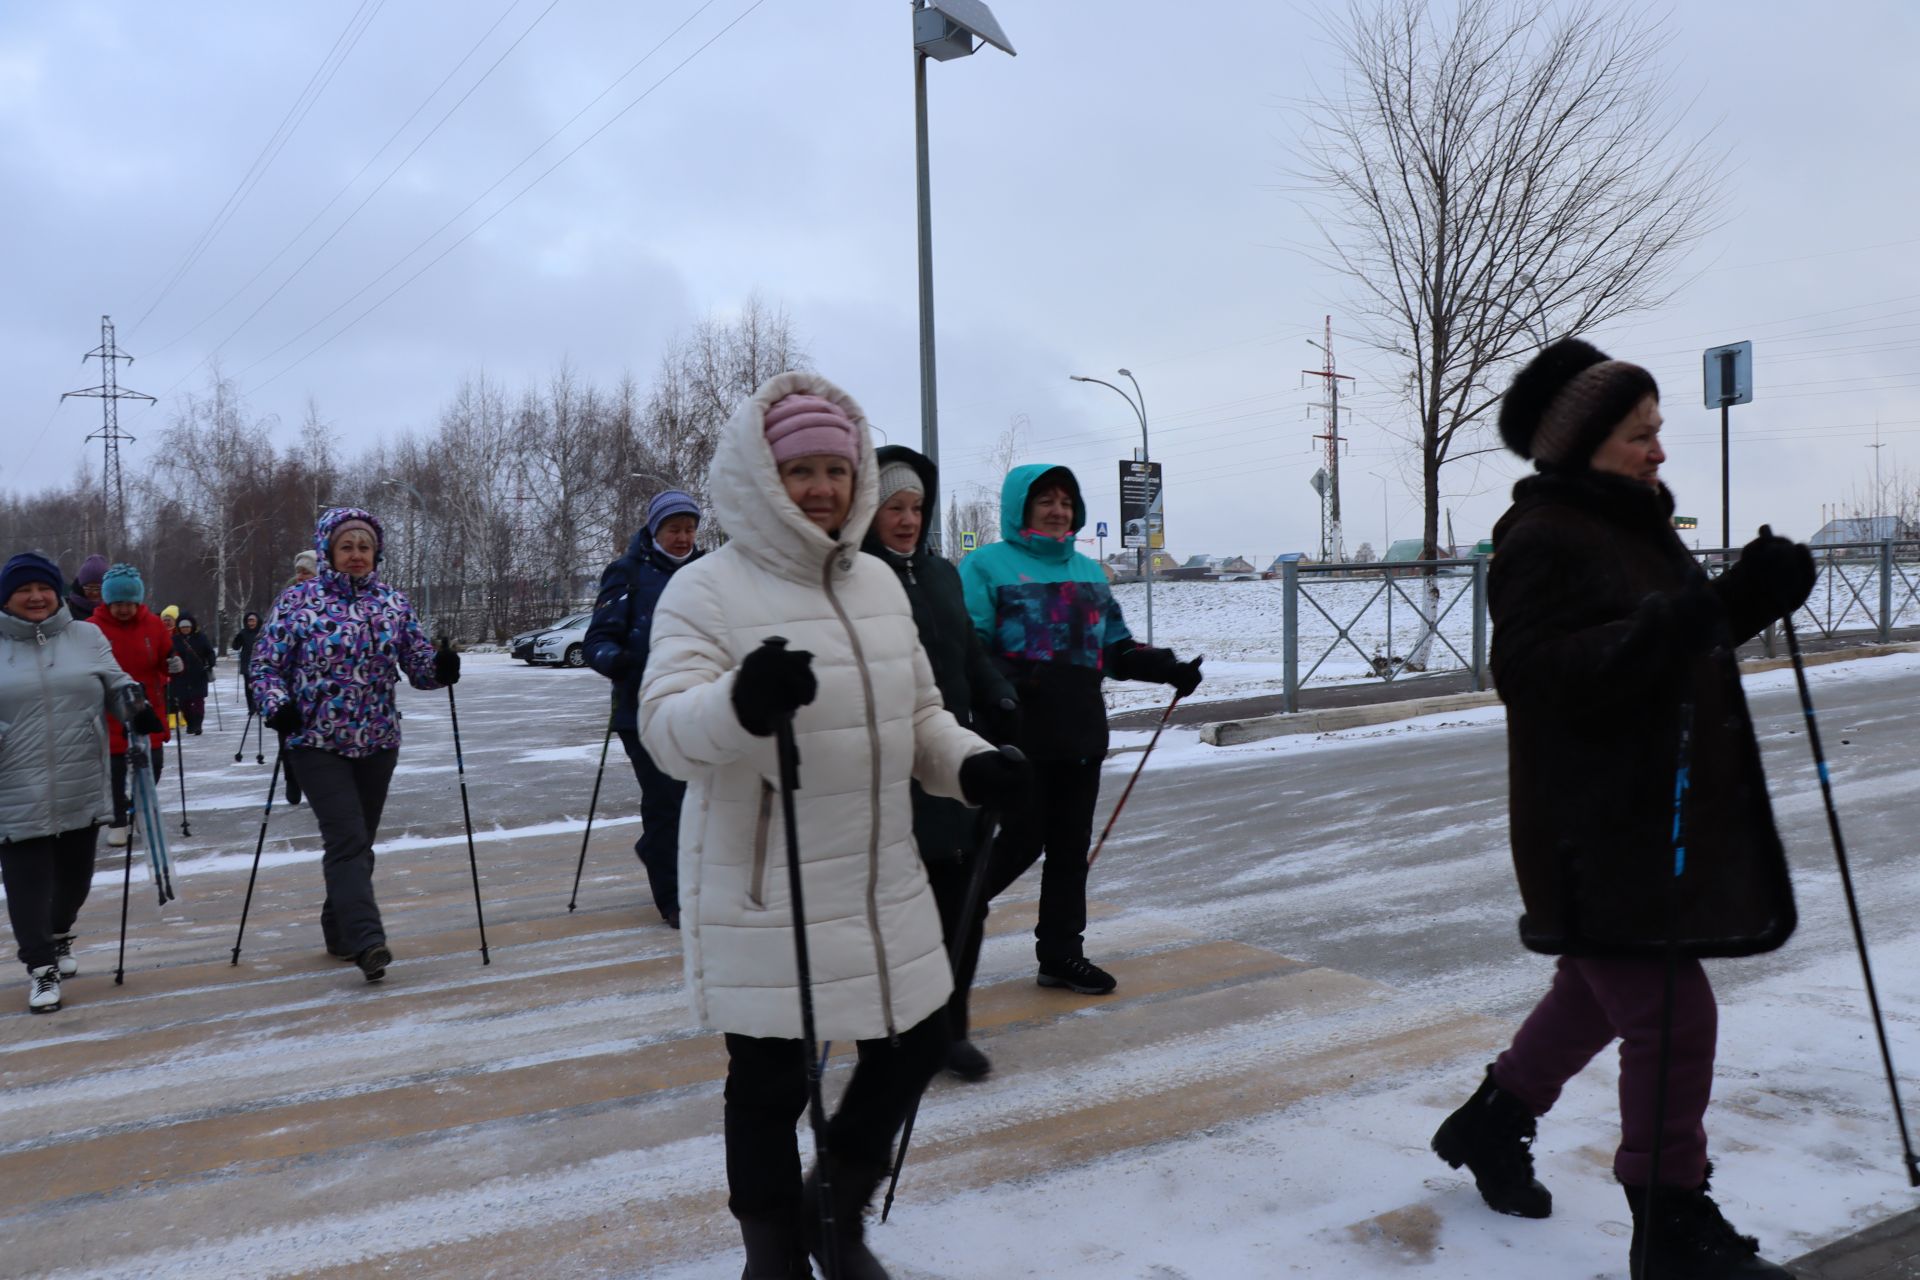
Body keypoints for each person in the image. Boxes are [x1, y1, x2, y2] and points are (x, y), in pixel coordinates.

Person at [1428, 339, 1812, 1279]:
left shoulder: (1635, 527)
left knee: (1595, 993)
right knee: (1674, 1013)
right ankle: (1669, 1219)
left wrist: (1741, 603)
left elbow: (1659, 653)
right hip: (1591, 829)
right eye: (1641, 434)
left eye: (1659, 432)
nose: (1659, 452)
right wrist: (1694, 614)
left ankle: (1494, 1120)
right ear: (1587, 439)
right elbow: (1535, 674)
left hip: (1651, 817)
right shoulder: (1545, 537)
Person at [639, 373, 1028, 1279]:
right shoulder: (706, 590)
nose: (822, 488)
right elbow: (666, 732)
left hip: (877, 870)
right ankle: (772, 1253)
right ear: (761, 479)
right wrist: (742, 702)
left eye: (837, 470)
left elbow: (920, 714)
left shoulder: (881, 590)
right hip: (764, 880)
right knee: (772, 1083)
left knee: (921, 1038)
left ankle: (834, 1212)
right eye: (801, 470)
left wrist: (969, 763)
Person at [958, 463, 1202, 997]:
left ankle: (1062, 955)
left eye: (1066, 501)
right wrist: (1009, 688)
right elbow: (969, 647)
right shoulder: (985, 566)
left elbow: (1115, 647)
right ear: (1021, 507)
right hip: (1017, 736)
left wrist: (1169, 668)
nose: (1057, 510)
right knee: (1016, 844)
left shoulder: (1089, 572)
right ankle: (946, 936)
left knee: (1070, 851)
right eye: (1045, 500)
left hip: (1080, 733)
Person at [861, 445, 1019, 1082]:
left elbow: (969, 654)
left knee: (965, 906)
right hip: (888, 774)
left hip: (956, 759)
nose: (907, 520)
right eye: (893, 507)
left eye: (916, 507)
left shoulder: (943, 574)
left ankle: (951, 1031)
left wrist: (999, 695)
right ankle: (899, 1034)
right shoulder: (850, 579)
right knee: (900, 914)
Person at [250, 508, 459, 983]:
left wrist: (441, 668)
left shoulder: (393, 603)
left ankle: (338, 929)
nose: (357, 555)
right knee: (346, 840)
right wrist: (277, 706)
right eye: (347, 546)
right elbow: (264, 667)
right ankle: (368, 940)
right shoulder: (298, 601)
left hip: (378, 740)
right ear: (328, 552)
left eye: (364, 546)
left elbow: (418, 663)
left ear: (376, 552)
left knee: (358, 845)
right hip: (314, 741)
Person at [0, 552, 161, 1012]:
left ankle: (58, 936)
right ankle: (40, 966)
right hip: (14, 783)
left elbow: (115, 681)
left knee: (75, 879)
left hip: (79, 776)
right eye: (23, 590)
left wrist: (134, 703)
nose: (35, 597)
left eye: (43, 588)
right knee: (26, 880)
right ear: (7, 598)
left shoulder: (86, 634)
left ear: (56, 591)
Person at [583, 489, 706, 929]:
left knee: (701, 801)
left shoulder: (709, 572)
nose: (683, 537)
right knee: (666, 801)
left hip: (700, 705)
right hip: (643, 710)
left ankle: (666, 857)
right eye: (674, 529)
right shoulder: (628, 573)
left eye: (690, 529)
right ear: (655, 530)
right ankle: (673, 898)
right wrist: (617, 661)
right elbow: (596, 641)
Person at [91, 564, 175, 848]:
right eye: (117, 603)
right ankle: (118, 818)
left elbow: (165, 657)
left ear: (137, 601)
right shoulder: (93, 628)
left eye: (128, 602)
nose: (123, 609)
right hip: (110, 710)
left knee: (153, 763)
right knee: (114, 768)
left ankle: (139, 808)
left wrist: (172, 663)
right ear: (107, 602)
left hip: (146, 707)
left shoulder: (153, 625)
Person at [168, 612, 217, 735]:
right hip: (181, 676)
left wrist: (210, 663)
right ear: (179, 628)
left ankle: (198, 725)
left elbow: (210, 652)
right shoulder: (174, 640)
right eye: (183, 627)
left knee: (198, 701)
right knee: (184, 702)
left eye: (187, 627)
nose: (185, 629)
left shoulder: (201, 637)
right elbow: (168, 653)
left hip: (198, 674)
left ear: (192, 627)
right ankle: (190, 723)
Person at [231, 611, 264, 716]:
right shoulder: (243, 633)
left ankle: (259, 706)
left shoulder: (262, 632)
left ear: (257, 621)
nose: (251, 623)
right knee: (248, 687)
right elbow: (235, 647)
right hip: (247, 663)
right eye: (249, 620)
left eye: (253, 620)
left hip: (260, 662)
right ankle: (251, 708)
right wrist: (237, 639)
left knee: (259, 685)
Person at [67, 554, 107, 621]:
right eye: (89, 588)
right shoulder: (68, 610)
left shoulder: (114, 610)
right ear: (81, 587)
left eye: (98, 588)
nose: (94, 592)